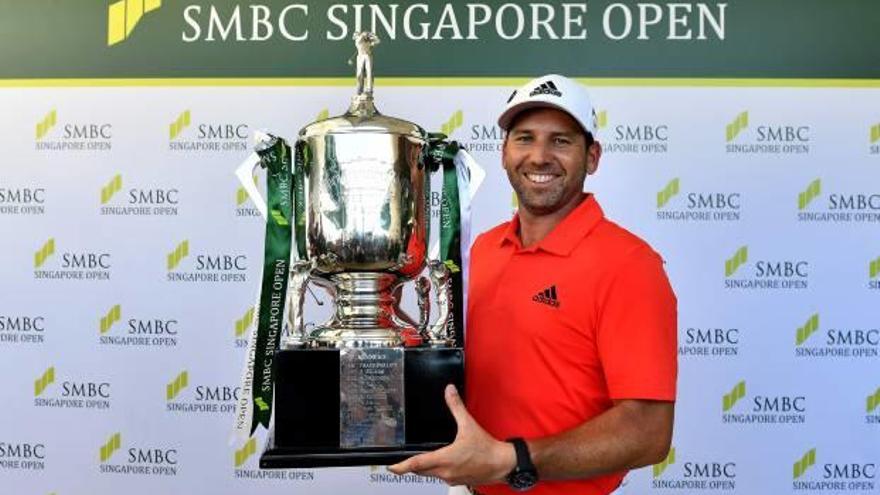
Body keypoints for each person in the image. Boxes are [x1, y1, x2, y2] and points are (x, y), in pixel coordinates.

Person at [389, 74, 678, 494]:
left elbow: (648, 432)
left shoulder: (629, 265)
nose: (540, 156)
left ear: (592, 157)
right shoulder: (481, 252)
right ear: (504, 153)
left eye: (561, 141)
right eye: (524, 138)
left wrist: (512, 460)